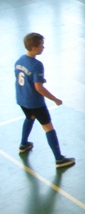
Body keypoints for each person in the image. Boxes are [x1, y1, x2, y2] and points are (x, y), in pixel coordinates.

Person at [14, 33, 75, 169]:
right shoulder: (37, 65)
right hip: (35, 103)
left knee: (30, 117)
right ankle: (59, 159)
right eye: (41, 45)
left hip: (22, 99)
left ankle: (23, 144)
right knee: (48, 127)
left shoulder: (19, 61)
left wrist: (39, 80)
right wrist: (55, 99)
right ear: (34, 48)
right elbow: (39, 88)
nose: (43, 47)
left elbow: (22, 78)